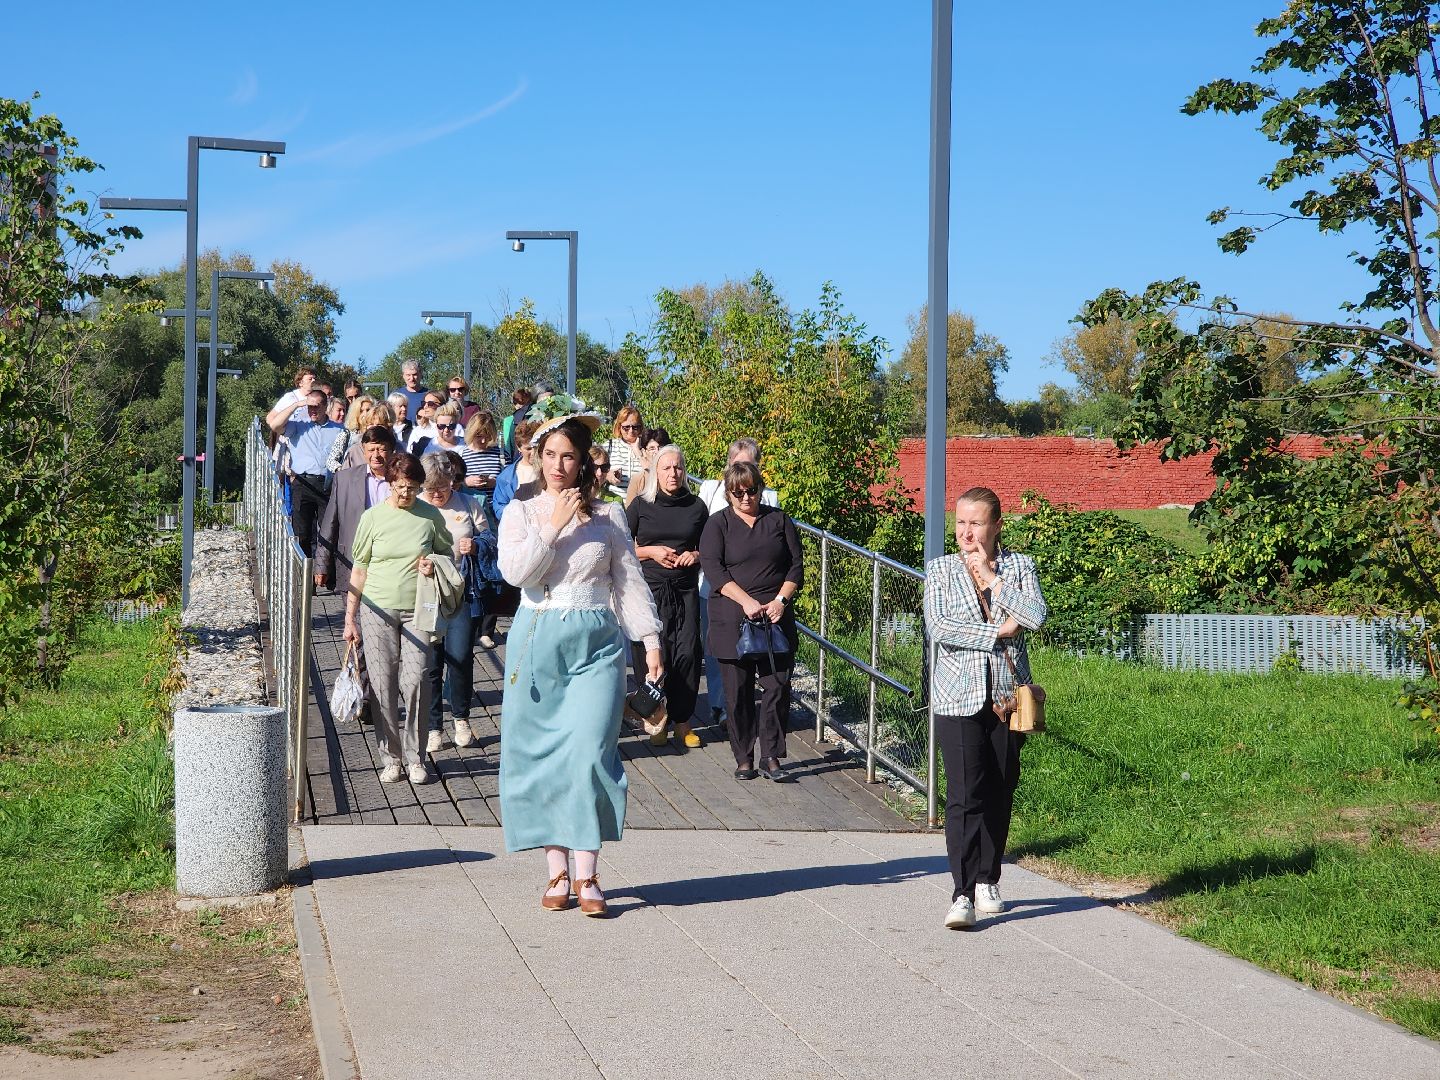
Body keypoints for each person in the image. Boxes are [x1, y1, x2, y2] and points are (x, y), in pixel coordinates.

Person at [498, 411, 663, 917]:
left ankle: (588, 870)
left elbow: (629, 583)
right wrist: (553, 525)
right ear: (537, 457)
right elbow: (515, 574)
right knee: (542, 754)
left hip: (597, 642)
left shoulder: (611, 517)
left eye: (568, 456)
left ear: (584, 461)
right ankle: (557, 872)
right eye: (549, 455)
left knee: (592, 751)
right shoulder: (521, 513)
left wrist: (651, 643)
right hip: (539, 638)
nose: (558, 465)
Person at [923, 487, 1047, 930]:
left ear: (995, 526)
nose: (965, 532)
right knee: (963, 794)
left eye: (975, 524)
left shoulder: (1019, 567)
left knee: (1000, 786)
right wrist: (996, 633)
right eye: (960, 523)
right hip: (957, 696)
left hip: (1007, 696)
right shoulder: (939, 570)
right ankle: (961, 892)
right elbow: (939, 626)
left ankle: (988, 879)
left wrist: (994, 580)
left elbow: (1034, 616)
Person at [342, 452, 454, 786]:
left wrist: (432, 563)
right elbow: (358, 569)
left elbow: (447, 554)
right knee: (382, 683)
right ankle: (391, 757)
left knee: (417, 679)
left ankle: (416, 757)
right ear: (390, 482)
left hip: (419, 607)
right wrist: (350, 619)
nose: (406, 493)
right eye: (400, 486)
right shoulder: (373, 518)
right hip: (377, 608)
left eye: (413, 488)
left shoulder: (430, 516)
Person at [699, 460, 803, 782]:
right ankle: (744, 756)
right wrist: (746, 601)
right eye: (738, 492)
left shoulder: (779, 521)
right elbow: (714, 569)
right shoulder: (718, 524)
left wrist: (780, 602)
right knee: (738, 692)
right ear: (728, 494)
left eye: (752, 490)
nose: (746, 498)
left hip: (774, 617)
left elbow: (796, 566)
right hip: (732, 615)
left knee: (777, 686)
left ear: (760, 489)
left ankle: (771, 754)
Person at [627, 444, 708, 749]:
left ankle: (683, 722)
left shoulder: (697, 507)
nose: (673, 473)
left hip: (685, 590)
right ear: (655, 472)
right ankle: (655, 719)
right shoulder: (641, 505)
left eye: (678, 467)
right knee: (652, 657)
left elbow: (711, 548)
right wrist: (649, 551)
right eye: (666, 468)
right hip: (650, 592)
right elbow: (620, 548)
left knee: (686, 654)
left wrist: (695, 555)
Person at [698, 438, 779, 729]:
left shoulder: (769, 498)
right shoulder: (711, 490)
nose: (743, 472)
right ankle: (722, 706)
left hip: (760, 597)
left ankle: (752, 711)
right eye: (737, 465)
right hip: (718, 589)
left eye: (749, 465)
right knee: (720, 652)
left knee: (759, 653)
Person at [419, 454, 487, 751]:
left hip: (461, 593)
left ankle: (461, 718)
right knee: (431, 663)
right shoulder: (416, 506)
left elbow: (490, 540)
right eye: (431, 488)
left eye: (443, 487)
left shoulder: (468, 504)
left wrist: (475, 545)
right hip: (427, 595)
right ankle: (434, 726)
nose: (437, 494)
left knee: (460, 658)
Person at [480, 417, 541, 649]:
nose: (532, 453)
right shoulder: (508, 475)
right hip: (516, 533)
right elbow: (498, 506)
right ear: (519, 447)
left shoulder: (547, 470)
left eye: (536, 447)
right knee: (508, 580)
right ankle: (489, 628)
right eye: (528, 448)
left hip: (541, 534)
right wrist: (519, 512)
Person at [267, 388, 342, 557]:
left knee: (328, 533)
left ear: (326, 406)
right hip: (303, 483)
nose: (313, 410)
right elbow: (275, 425)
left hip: (328, 485)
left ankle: (324, 575)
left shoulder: (339, 430)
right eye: (310, 407)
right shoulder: (297, 426)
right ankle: (304, 578)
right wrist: (297, 405)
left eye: (317, 406)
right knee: (303, 533)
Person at [460, 411, 505, 503]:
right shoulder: (461, 455)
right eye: (479, 436)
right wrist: (466, 482)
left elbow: (510, 482)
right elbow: (451, 485)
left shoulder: (501, 454)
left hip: (495, 510)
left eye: (487, 436)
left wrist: (494, 483)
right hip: (470, 509)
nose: (483, 440)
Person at [623, 426, 672, 506]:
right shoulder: (638, 480)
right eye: (652, 448)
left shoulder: (674, 476)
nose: (657, 452)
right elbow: (630, 512)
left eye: (661, 447)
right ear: (644, 452)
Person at [326, 395, 374, 474]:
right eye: (361, 411)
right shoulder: (346, 435)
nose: (365, 414)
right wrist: (343, 471)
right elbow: (331, 461)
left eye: (368, 410)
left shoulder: (379, 434)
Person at [604, 405, 645, 488]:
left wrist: (638, 452)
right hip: (614, 500)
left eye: (635, 427)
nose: (631, 431)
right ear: (619, 427)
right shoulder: (609, 446)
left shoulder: (647, 447)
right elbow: (594, 472)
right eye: (626, 427)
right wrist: (607, 475)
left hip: (641, 500)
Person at [501, 387, 533, 459]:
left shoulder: (508, 420)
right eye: (516, 403)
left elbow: (507, 445)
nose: (518, 406)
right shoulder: (535, 417)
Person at [408, 392, 443, 456]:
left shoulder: (454, 428)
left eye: (430, 404)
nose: (425, 407)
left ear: (442, 406)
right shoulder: (418, 431)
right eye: (424, 403)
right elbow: (410, 456)